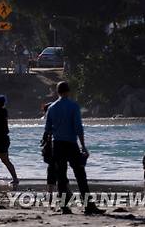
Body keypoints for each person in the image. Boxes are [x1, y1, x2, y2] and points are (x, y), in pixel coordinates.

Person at [44, 82, 104, 215]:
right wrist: (83, 146)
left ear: (57, 92)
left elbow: (47, 129)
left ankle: (64, 206)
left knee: (61, 176)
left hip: (57, 145)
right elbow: (78, 127)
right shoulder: (73, 106)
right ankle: (88, 205)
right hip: (71, 143)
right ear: (68, 91)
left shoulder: (51, 108)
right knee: (80, 175)